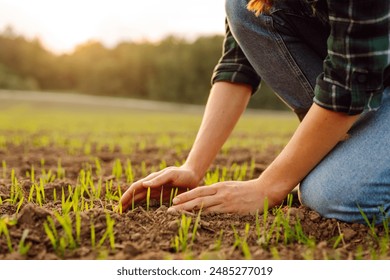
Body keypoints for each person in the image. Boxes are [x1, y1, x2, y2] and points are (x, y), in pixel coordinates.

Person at [120, 0, 390, 224]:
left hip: (362, 81)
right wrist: (193, 167)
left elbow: (350, 80)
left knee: (338, 196)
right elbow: (239, 62)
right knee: (241, 5)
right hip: (366, 87)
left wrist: (267, 187)